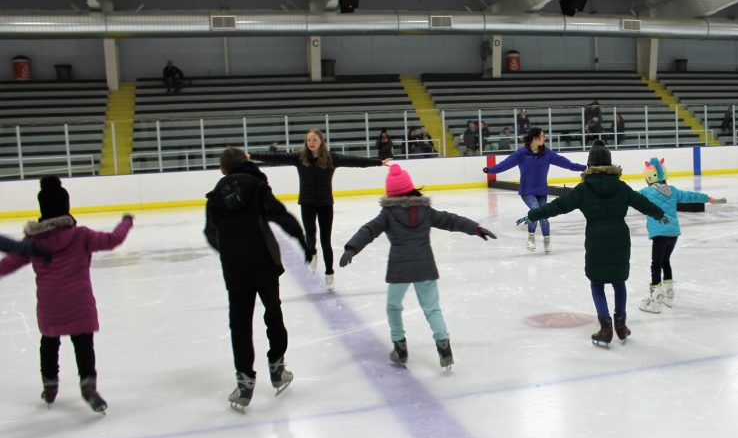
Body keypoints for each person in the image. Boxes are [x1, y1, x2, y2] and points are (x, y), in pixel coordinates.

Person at [338, 164, 497, 370]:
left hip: (399, 268)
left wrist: (352, 248)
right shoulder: (425, 210)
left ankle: (400, 348)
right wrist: (475, 228)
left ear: (390, 192)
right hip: (424, 266)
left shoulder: (387, 213)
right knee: (432, 309)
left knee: (393, 307)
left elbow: (369, 230)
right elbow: (451, 220)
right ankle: (444, 349)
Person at [0, 176, 133, 413]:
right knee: (83, 342)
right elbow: (113, 240)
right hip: (78, 301)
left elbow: (7, 264)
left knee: (49, 343)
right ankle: (88, 387)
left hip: (50, 305)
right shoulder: (81, 235)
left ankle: (50, 385)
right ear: (66, 206)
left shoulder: (32, 242)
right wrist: (126, 222)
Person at [517, 140, 666, 346]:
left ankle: (606, 328)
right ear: (609, 163)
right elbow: (644, 204)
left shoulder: (584, 189)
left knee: (597, 284)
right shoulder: (621, 187)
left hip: (596, 238)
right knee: (618, 281)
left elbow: (558, 206)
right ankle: (621, 326)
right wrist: (660, 214)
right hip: (620, 239)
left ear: (589, 165)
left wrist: (533, 215)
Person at [205, 147, 311, 411]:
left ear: (223, 170)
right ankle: (277, 367)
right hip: (264, 262)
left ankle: (244, 384)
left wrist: (228, 251)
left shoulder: (215, 197)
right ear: (246, 162)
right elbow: (280, 215)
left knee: (239, 325)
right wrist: (303, 241)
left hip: (235, 269)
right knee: (273, 314)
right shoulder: (257, 185)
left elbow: (210, 233)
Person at [249, 129, 388, 290]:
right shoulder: (299, 158)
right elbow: (276, 157)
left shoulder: (331, 158)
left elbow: (354, 161)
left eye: (314, 140)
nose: (311, 143)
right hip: (307, 203)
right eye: (309, 140)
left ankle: (329, 272)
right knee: (310, 235)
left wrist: (378, 162)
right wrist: (252, 156)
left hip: (325, 204)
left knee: (325, 240)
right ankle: (312, 252)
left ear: (321, 141)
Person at [637, 157, 726, 313]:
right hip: (673, 234)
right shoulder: (672, 190)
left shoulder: (646, 192)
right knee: (666, 261)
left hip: (659, 234)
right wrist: (709, 199)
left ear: (648, 178)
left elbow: (630, 198)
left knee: (656, 264)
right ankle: (669, 294)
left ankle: (656, 300)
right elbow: (692, 196)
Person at [483, 127, 586, 253]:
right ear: (534, 138)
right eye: (542, 136)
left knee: (543, 215)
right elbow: (505, 164)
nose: (544, 138)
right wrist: (491, 170)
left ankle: (546, 240)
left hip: (542, 191)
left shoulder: (547, 153)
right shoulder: (522, 153)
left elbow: (566, 164)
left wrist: (583, 167)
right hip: (527, 191)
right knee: (537, 211)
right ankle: (531, 237)